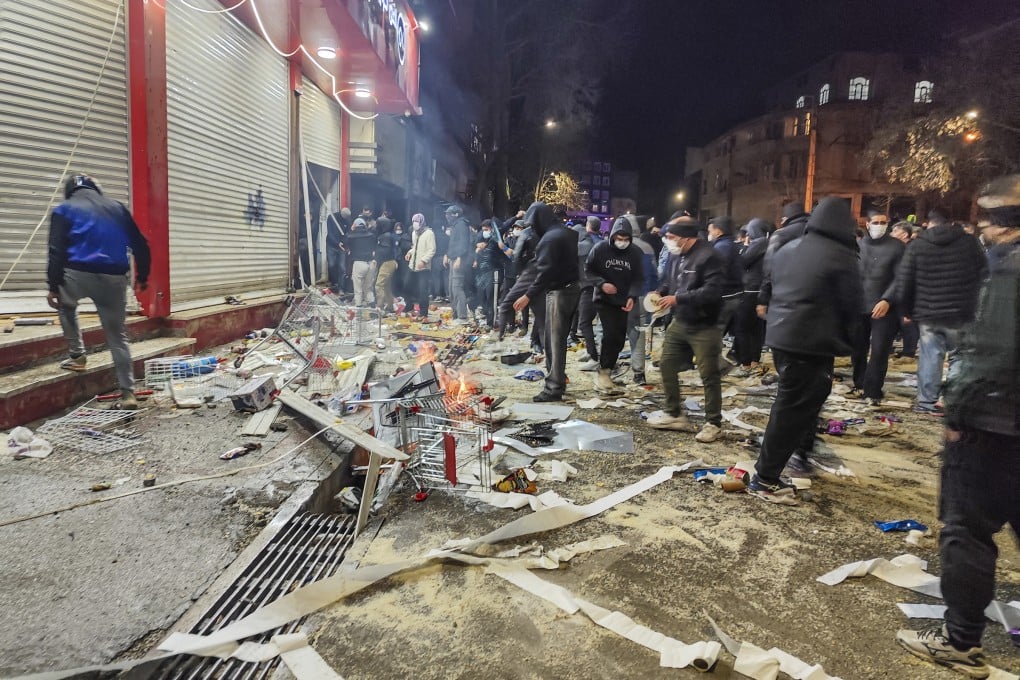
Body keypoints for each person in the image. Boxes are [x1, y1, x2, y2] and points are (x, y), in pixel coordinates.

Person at [896, 175, 1020, 679]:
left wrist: (957, 412)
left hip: (992, 425)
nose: (982, 229)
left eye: (988, 219)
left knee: (966, 530)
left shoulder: (1008, 274)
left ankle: (961, 642)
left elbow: (992, 352)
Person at [749, 197, 863, 500]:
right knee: (793, 409)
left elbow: (771, 284)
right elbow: (853, 304)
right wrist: (852, 343)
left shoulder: (788, 248)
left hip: (782, 336)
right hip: (813, 342)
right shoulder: (842, 255)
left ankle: (779, 465)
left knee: (792, 405)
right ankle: (766, 477)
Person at [47, 173, 151, 410]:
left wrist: (53, 287)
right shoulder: (117, 208)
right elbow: (140, 244)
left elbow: (56, 250)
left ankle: (77, 356)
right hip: (113, 279)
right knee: (118, 337)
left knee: (66, 305)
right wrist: (143, 277)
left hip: (76, 275)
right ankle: (128, 393)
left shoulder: (63, 209)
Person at [896, 209, 987, 415]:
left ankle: (927, 402)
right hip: (962, 311)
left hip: (928, 312)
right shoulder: (969, 243)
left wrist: (906, 310)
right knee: (958, 357)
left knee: (930, 356)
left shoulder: (918, 245)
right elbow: (984, 274)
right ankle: (952, 401)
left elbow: (905, 281)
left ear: (930, 223)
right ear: (951, 222)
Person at [647, 217, 724, 443]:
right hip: (680, 321)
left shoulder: (710, 256)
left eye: (671, 237)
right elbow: (669, 282)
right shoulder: (674, 254)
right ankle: (674, 413)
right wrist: (660, 293)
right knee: (667, 364)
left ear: (687, 237)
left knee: (709, 374)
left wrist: (677, 298)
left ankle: (713, 423)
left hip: (705, 324)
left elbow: (712, 291)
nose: (668, 241)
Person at [513, 202, 579, 402]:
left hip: (558, 292)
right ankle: (558, 380)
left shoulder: (549, 240)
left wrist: (527, 295)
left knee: (553, 341)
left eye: (533, 225)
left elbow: (544, 273)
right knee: (558, 340)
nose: (533, 230)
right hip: (573, 288)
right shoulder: (567, 233)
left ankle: (553, 387)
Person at [849, 210, 904, 406]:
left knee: (880, 349)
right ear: (867, 224)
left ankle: (873, 390)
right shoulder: (858, 246)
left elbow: (900, 277)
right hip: (859, 305)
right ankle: (859, 382)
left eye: (883, 222)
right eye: (876, 222)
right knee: (858, 347)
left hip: (884, 306)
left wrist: (887, 299)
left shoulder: (897, 247)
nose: (879, 225)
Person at [585, 218, 643, 393]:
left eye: (626, 238)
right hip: (604, 299)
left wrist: (633, 295)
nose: (622, 241)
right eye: (619, 237)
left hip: (624, 300)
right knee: (610, 335)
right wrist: (602, 284)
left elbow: (639, 278)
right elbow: (588, 270)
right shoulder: (600, 249)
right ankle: (603, 373)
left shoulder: (635, 253)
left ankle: (607, 371)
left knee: (618, 338)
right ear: (612, 236)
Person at [757, 201, 810, 318]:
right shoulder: (816, 232)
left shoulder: (780, 235)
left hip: (784, 295)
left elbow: (769, 269)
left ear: (785, 218)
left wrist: (763, 299)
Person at [733, 218, 770, 373]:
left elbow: (742, 262)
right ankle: (755, 360)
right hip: (763, 290)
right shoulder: (771, 243)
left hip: (750, 290)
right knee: (757, 328)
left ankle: (746, 362)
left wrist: (745, 246)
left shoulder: (758, 244)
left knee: (742, 327)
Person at [575, 217, 601, 369]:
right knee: (590, 322)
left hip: (590, 286)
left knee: (584, 322)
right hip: (596, 285)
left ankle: (593, 356)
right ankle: (590, 350)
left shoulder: (586, 243)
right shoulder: (601, 241)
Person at [472, 220, 508, 328]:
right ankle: (487, 317)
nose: (484, 232)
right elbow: (474, 244)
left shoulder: (496, 239)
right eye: (483, 230)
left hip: (495, 271)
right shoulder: (481, 239)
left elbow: (505, 225)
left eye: (486, 229)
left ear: (491, 229)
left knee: (492, 297)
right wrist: (476, 254)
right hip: (483, 273)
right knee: (483, 297)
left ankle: (491, 323)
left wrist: (516, 216)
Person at [444, 204, 473, 323]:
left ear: (456, 214)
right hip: (453, 258)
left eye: (448, 214)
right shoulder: (456, 225)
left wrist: (459, 258)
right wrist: (447, 255)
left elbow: (463, 243)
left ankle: (462, 316)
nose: (447, 216)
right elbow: (453, 244)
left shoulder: (461, 225)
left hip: (459, 260)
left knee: (457, 288)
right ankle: (455, 314)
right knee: (451, 288)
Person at [405, 213, 436, 322]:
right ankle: (409, 306)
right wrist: (409, 253)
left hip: (424, 267)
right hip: (413, 265)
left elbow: (431, 250)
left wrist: (423, 260)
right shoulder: (414, 233)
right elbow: (415, 247)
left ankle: (423, 313)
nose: (415, 224)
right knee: (407, 285)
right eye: (413, 221)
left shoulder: (429, 233)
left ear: (422, 222)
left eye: (417, 222)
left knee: (423, 290)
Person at [346, 217, 375, 307]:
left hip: (359, 264)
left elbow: (346, 242)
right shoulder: (371, 235)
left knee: (358, 290)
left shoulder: (351, 236)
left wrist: (351, 230)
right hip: (371, 264)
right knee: (369, 289)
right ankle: (373, 312)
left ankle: (358, 312)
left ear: (355, 225)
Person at [374, 217, 397, 313]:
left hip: (387, 262)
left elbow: (385, 250)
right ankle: (390, 307)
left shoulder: (386, 236)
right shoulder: (387, 235)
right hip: (390, 262)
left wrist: (376, 253)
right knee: (387, 286)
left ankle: (380, 308)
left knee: (379, 285)